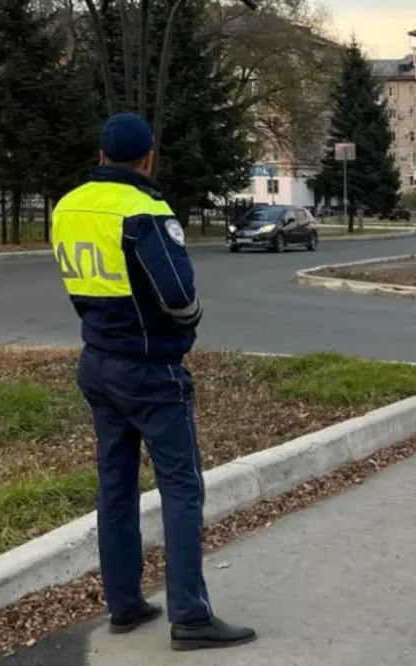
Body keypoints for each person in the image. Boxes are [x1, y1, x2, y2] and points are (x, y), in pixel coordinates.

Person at [51, 112, 256, 652]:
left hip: (97, 359)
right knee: (181, 486)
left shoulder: (68, 206)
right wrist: (187, 321)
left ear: (100, 156)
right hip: (152, 368)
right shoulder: (146, 210)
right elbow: (178, 295)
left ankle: (124, 603)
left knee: (115, 485)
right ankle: (190, 615)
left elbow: (77, 282)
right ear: (147, 159)